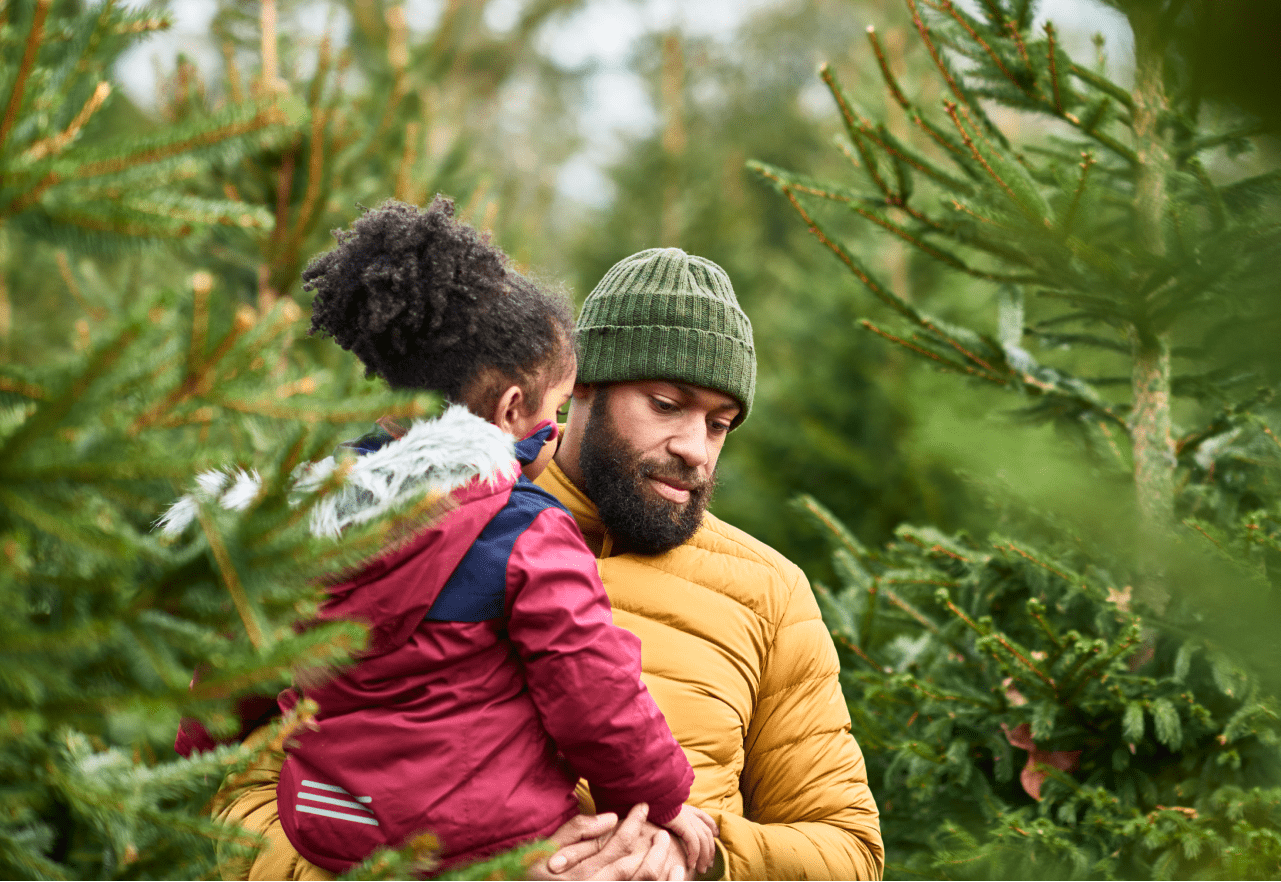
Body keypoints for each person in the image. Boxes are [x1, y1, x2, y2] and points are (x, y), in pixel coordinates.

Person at [165, 200, 714, 878]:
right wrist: (658, 800)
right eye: (556, 407)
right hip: (484, 839)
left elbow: (228, 674)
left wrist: (178, 782)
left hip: (330, 829)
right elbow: (595, 692)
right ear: (514, 409)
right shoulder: (525, 530)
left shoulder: (311, 514)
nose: (557, 422)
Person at [526, 248, 884, 881]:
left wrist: (700, 854)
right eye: (666, 404)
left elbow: (851, 850)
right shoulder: (443, 535)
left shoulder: (768, 593)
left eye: (720, 425)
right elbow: (290, 800)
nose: (695, 450)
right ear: (583, 385)